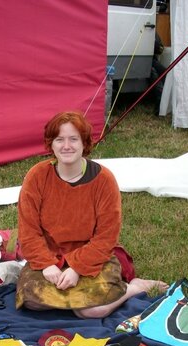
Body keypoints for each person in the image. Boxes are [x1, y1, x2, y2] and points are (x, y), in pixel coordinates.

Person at [15, 111, 167, 319]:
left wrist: (76, 269)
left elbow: (106, 237)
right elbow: (28, 232)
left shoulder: (104, 180)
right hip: (51, 257)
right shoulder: (37, 176)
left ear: (84, 143)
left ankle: (133, 288)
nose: (66, 146)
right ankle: (75, 300)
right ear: (51, 144)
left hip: (94, 257)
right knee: (32, 301)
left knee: (92, 310)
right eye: (59, 139)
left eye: (73, 139)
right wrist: (48, 265)